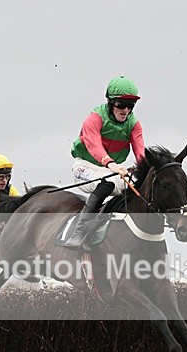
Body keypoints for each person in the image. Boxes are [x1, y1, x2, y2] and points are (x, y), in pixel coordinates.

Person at [62, 75, 146, 248]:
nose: (125, 110)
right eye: (120, 105)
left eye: (130, 106)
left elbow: (141, 153)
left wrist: (147, 169)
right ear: (110, 102)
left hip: (111, 169)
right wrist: (110, 163)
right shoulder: (94, 118)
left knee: (137, 187)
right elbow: (94, 146)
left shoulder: (134, 124)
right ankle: (79, 231)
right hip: (85, 166)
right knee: (107, 183)